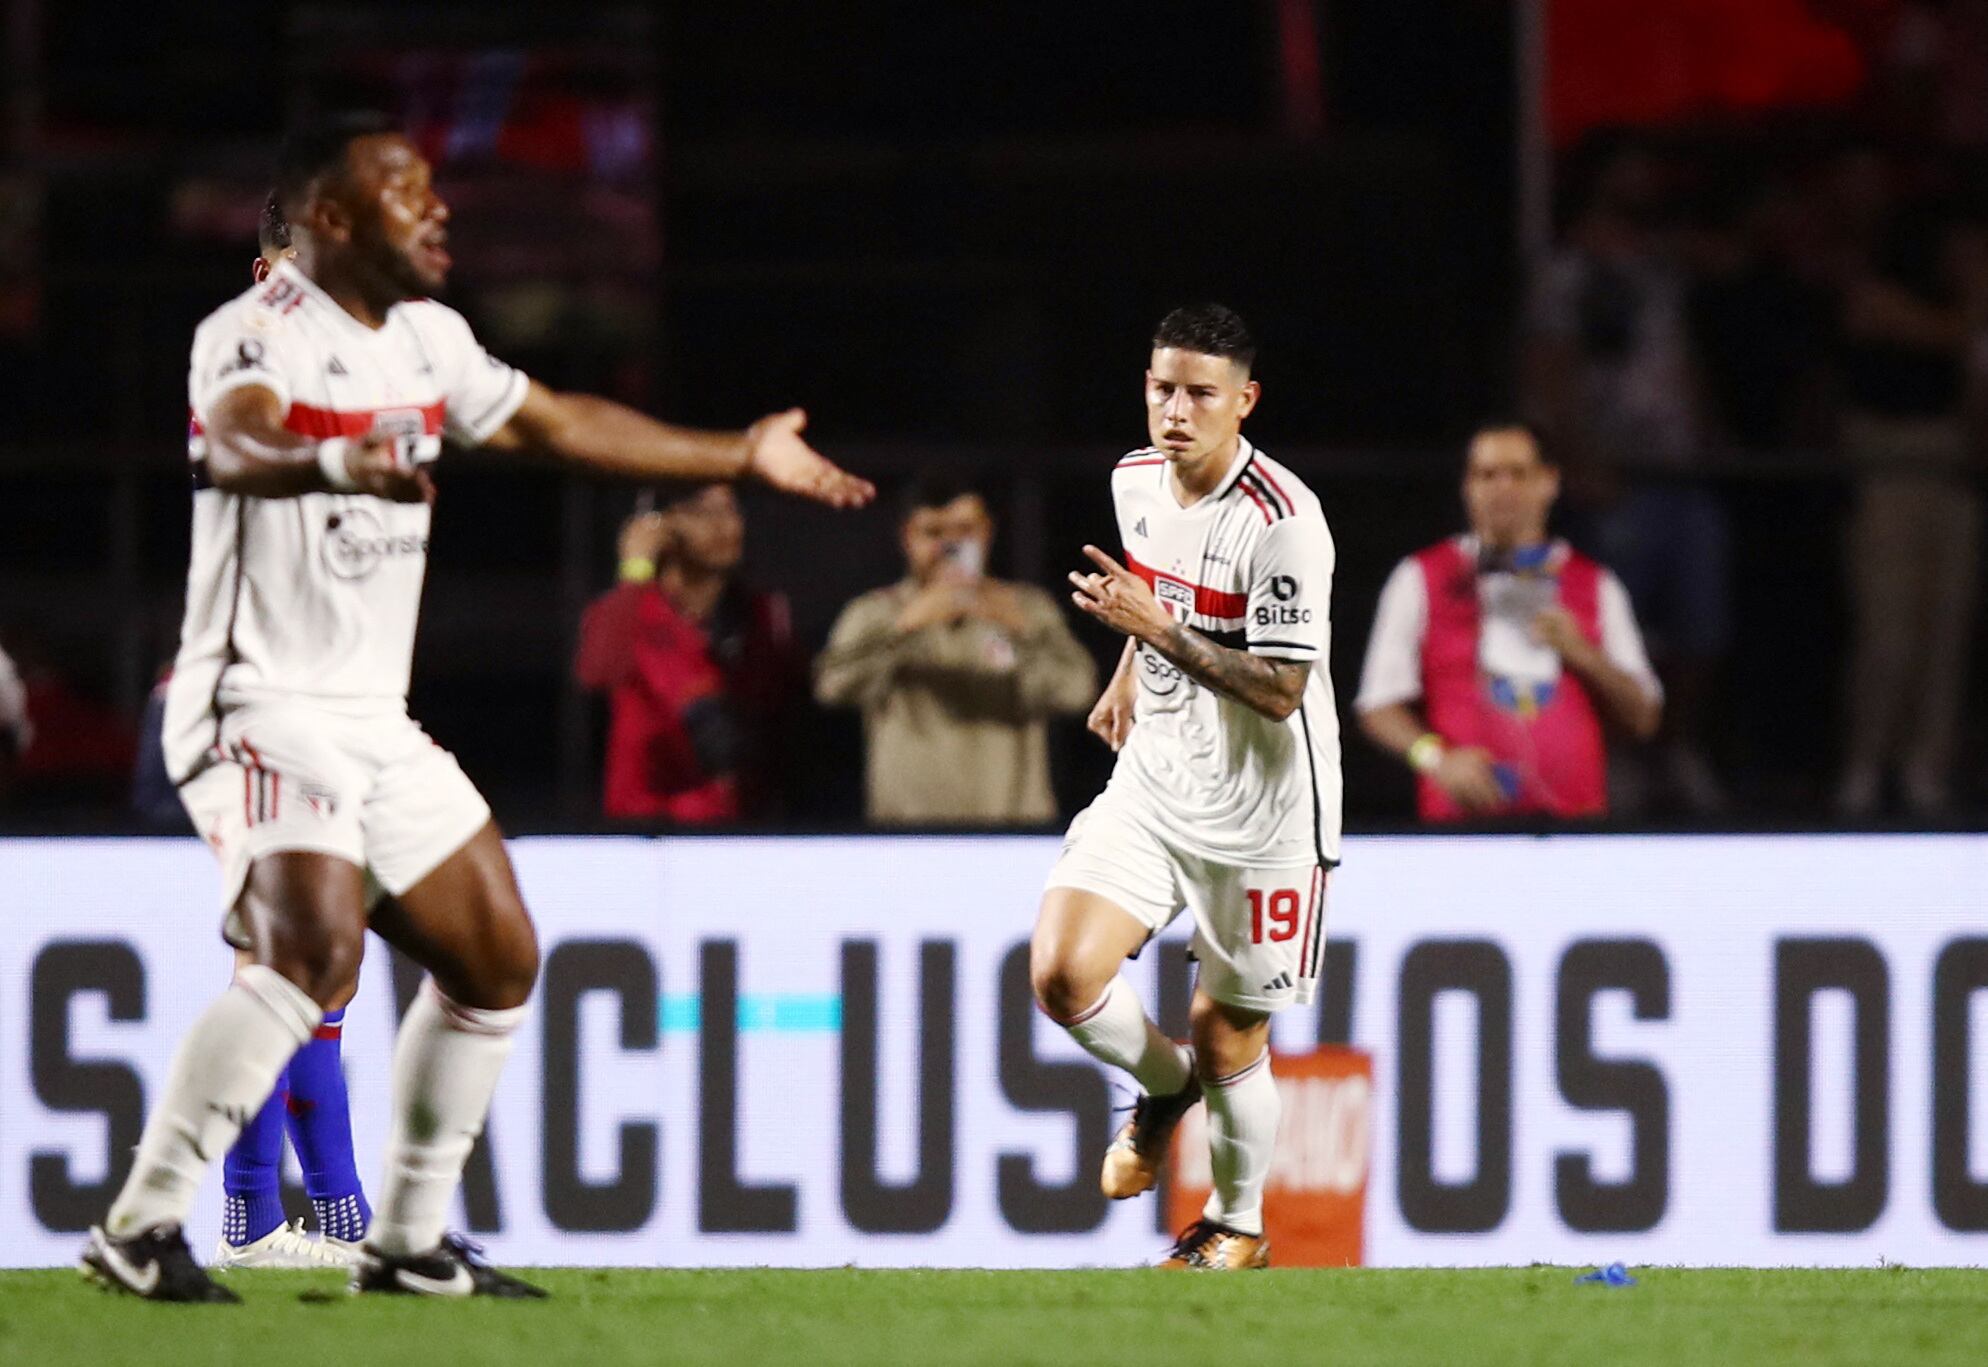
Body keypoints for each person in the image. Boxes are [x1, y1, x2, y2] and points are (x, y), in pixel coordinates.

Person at [81, 112, 870, 1304]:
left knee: (496, 958)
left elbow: (560, 423)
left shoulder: (430, 340)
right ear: (332, 220)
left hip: (368, 718)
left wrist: (738, 450)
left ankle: (404, 1242)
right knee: (310, 952)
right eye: (406, 189)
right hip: (252, 701)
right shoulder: (252, 332)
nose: (438, 207)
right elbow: (237, 444)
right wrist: (340, 460)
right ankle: (139, 1227)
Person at [1032, 304, 1339, 1270]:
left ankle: (1238, 1221)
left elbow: (1282, 689)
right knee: (1063, 972)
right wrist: (1132, 663)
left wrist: (1154, 631)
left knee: (1227, 1025)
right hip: (1157, 781)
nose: (1176, 409)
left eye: (1201, 393)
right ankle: (1165, 1089)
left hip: (1264, 813)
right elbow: (1161, 592)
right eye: (1163, 386)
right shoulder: (1134, 480)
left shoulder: (1285, 524)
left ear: (1244, 401)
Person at [1523, 140, 1730, 815]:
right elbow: (1551, 369)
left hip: (1681, 471)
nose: (1644, 182)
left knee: (1700, 624)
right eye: (1630, 171)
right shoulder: (1571, 271)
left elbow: (1683, 359)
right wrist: (1579, 461)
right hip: (1616, 475)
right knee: (1619, 628)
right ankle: (1617, 754)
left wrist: (1705, 437)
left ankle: (1677, 749)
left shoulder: (1661, 269)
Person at [1355, 423, 1661, 822]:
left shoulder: (1596, 585)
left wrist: (1584, 654)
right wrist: (1436, 758)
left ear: (1549, 482)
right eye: (1487, 474)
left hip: (1573, 832)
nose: (1503, 488)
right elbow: (1378, 705)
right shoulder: (1421, 577)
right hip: (1460, 834)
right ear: (1467, 486)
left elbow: (1644, 718)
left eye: (1518, 473)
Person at [814, 476, 1096, 825]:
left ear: (987, 532)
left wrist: (1020, 629)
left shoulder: (1026, 607)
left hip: (1013, 829)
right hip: (909, 832)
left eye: (964, 531)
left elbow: (1077, 691)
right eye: (932, 533)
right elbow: (832, 687)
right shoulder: (876, 612)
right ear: (907, 537)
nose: (948, 546)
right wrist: (905, 626)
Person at [574, 485, 805, 823]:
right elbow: (596, 671)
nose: (728, 527)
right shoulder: (633, 608)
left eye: (732, 511)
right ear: (660, 525)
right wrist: (635, 569)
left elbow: (784, 715)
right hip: (646, 829)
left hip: (739, 829)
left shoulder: (763, 613)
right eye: (704, 513)